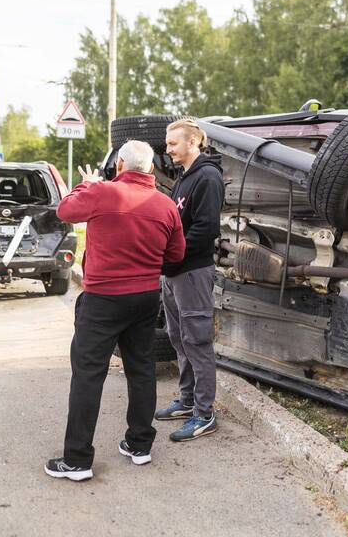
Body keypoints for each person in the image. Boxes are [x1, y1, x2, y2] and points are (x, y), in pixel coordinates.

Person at [45, 140, 185, 482]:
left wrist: (87, 184)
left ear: (120, 166)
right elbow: (176, 254)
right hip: (145, 297)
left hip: (103, 299)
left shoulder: (101, 192)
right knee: (141, 369)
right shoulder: (166, 206)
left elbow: (65, 210)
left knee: (89, 374)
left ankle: (77, 460)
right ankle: (140, 445)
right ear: (150, 169)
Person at [156, 118, 224, 442]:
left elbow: (205, 229)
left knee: (197, 342)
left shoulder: (208, 177)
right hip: (173, 274)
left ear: (193, 142)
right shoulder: (184, 178)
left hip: (193, 273)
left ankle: (204, 413)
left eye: (173, 144)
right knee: (179, 339)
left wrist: (172, 255)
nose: (167, 149)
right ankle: (186, 400)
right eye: (168, 144)